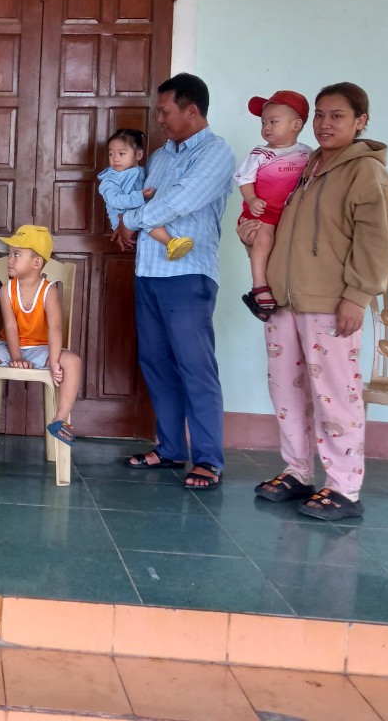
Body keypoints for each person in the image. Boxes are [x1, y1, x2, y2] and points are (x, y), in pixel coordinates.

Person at [250, 83, 388, 520]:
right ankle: (298, 471)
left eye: (337, 116)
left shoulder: (365, 172)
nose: (324, 123)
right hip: (285, 301)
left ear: (361, 121)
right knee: (287, 390)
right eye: (319, 114)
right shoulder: (307, 165)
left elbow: (381, 240)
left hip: (331, 304)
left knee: (335, 395)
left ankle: (344, 487)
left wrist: (357, 295)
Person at [116, 73, 234, 490]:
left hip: (188, 275)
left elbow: (177, 202)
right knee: (156, 363)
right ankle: (169, 448)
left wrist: (131, 219)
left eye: (165, 111)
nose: (160, 119)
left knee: (195, 367)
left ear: (192, 110)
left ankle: (208, 459)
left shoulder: (217, 153)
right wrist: (132, 214)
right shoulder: (161, 156)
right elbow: (147, 198)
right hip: (148, 272)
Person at [0, 225, 82, 448]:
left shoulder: (48, 290)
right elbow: (11, 327)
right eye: (10, 254)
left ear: (37, 263)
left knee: (73, 362)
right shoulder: (6, 290)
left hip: (41, 347)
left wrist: (54, 362)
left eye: (17, 254)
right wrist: (15, 357)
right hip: (8, 346)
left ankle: (60, 419)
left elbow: (55, 328)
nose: (10, 260)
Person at [234, 90, 312, 321]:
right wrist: (251, 200)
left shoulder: (308, 154)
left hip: (290, 215)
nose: (266, 127)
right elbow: (244, 179)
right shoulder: (260, 154)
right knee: (264, 239)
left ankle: (280, 291)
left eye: (273, 121)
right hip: (263, 212)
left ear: (296, 125)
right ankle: (259, 285)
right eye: (263, 122)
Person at [97, 128, 193, 261]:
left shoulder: (142, 170)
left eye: (121, 153)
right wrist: (141, 196)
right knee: (149, 223)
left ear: (138, 155)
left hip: (136, 214)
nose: (115, 158)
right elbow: (114, 200)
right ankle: (170, 243)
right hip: (121, 216)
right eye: (111, 154)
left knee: (149, 218)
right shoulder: (110, 179)